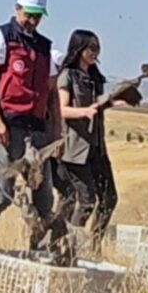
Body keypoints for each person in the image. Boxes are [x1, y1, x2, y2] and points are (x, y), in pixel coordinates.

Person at [0, 0, 60, 247]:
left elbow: (51, 92)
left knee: (44, 198)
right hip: (8, 126)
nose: (33, 20)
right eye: (29, 14)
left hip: (38, 130)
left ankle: (40, 249)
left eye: (38, 16)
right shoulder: (1, 38)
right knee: (4, 193)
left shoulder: (44, 47)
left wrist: (57, 131)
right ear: (17, 9)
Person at [54, 29, 119, 252]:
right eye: (91, 47)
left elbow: (97, 105)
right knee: (86, 200)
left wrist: (111, 103)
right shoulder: (68, 76)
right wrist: (84, 112)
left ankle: (95, 245)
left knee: (109, 198)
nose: (95, 52)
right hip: (75, 149)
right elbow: (61, 110)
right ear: (78, 49)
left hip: (97, 148)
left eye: (97, 47)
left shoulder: (95, 77)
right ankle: (67, 242)